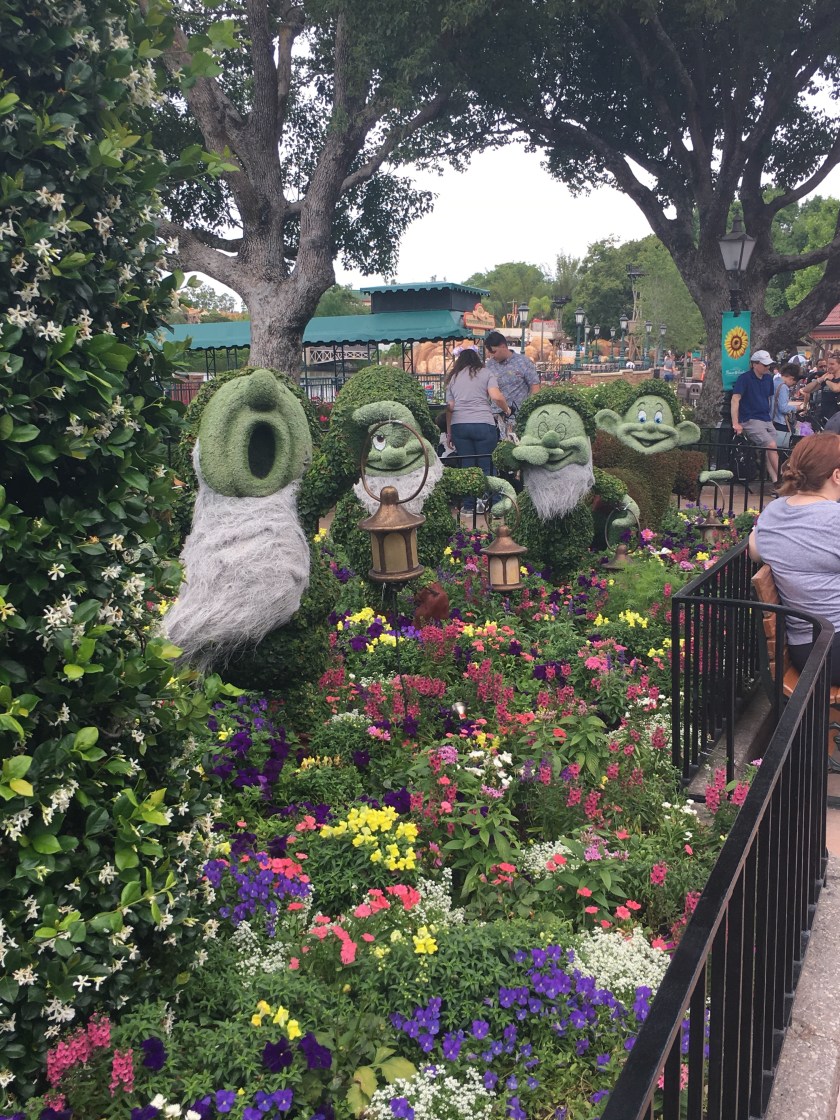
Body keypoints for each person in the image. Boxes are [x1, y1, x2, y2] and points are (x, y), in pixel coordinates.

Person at [748, 431, 840, 686]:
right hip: (832, 647)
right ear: (836, 475)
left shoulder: (774, 511)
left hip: (805, 649)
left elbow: (755, 549)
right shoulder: (834, 519)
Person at [445, 348, 511, 501]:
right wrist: (507, 410)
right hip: (483, 423)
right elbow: (496, 396)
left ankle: (469, 506)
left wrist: (449, 432)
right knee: (488, 465)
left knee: (467, 467)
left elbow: (450, 407)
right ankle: (494, 504)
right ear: (477, 359)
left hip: (459, 425)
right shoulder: (486, 373)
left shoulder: (453, 377)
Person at [730, 348, 779, 485]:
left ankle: (776, 481)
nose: (767, 367)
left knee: (771, 449)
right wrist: (736, 423)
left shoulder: (768, 379)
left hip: (765, 418)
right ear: (754, 364)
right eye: (765, 364)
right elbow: (735, 399)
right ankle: (784, 478)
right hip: (750, 418)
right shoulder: (745, 378)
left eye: (768, 364)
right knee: (771, 445)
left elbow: (768, 398)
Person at [483, 330, 540, 414]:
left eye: (494, 352)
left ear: (503, 346)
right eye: (490, 353)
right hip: (495, 415)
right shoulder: (489, 365)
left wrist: (530, 409)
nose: (492, 355)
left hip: (519, 415)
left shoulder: (523, 362)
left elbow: (535, 387)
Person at [771, 363, 802, 436]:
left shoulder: (773, 382)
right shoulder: (783, 387)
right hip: (780, 421)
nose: (791, 386)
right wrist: (797, 408)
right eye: (793, 384)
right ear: (791, 378)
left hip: (771, 420)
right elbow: (783, 408)